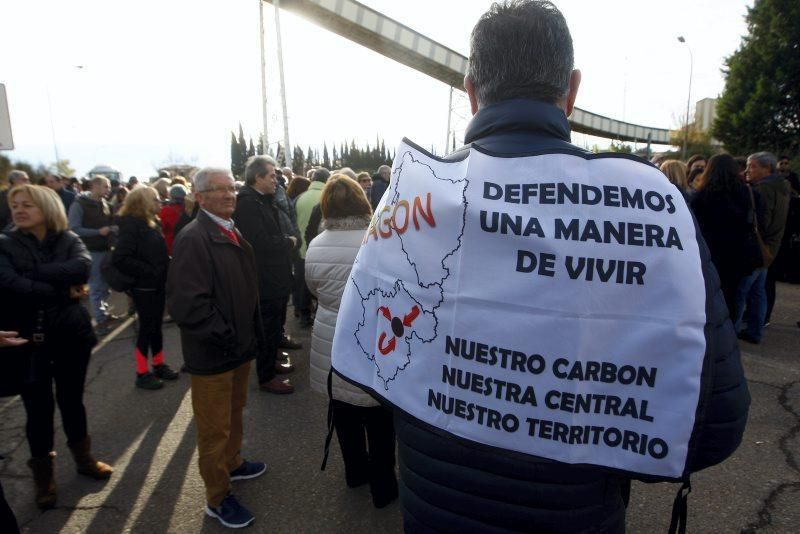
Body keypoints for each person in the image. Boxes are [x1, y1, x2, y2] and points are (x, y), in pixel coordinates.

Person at [388, 2, 749, 532]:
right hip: (574, 513)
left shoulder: (408, 202)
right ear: (573, 91)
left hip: (434, 510)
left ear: (469, 91)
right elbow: (713, 424)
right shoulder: (651, 207)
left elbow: (370, 358)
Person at [0, 185, 113, 510]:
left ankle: (84, 459)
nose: (19, 210)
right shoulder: (5, 243)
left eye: (27, 205)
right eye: (15, 205)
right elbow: (7, 283)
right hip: (27, 341)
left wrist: (32, 275)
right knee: (38, 410)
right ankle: (43, 476)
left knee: (72, 401)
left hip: (70, 338)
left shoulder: (68, 239)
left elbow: (81, 268)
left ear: (47, 208)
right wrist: (62, 291)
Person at [167, 168, 266, 529]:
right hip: (214, 353)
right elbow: (188, 305)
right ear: (199, 196)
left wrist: (248, 336)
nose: (228, 195)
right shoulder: (194, 238)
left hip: (236, 348)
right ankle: (217, 496)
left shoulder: (227, 227)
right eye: (218, 190)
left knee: (235, 413)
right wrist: (227, 336)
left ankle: (234, 464)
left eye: (231, 188)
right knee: (213, 430)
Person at [305, 175, 397, 508]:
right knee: (379, 416)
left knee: (343, 411)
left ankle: (355, 473)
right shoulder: (381, 239)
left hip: (332, 334)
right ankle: (384, 487)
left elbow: (313, 288)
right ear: (362, 201)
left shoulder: (316, 245)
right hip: (374, 334)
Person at [232, 156, 296, 394]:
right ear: (257, 178)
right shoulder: (248, 203)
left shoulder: (261, 200)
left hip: (274, 275)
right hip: (264, 278)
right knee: (267, 327)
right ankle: (266, 375)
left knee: (274, 323)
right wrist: (288, 242)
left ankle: (271, 363)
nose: (276, 181)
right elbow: (257, 242)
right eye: (271, 176)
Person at [113, 186, 178, 389]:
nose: (161, 202)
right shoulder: (131, 226)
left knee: (156, 327)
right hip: (144, 288)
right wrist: (150, 271)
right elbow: (120, 258)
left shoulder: (150, 223)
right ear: (143, 202)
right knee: (146, 329)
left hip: (156, 285)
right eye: (156, 199)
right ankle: (142, 373)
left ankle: (158, 364)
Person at [690, 154, 764, 316]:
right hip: (739, 255)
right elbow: (759, 223)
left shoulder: (700, 197)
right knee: (733, 295)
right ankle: (730, 331)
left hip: (709, 254)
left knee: (707, 296)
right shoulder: (751, 195)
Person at [735, 151, 791, 343]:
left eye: (752, 166)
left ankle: (733, 332)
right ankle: (755, 330)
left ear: (766, 168)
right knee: (758, 292)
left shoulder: (761, 190)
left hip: (758, 249)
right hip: (770, 248)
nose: (748, 170)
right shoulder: (783, 185)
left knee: (741, 292)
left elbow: (761, 221)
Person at [68, 175, 118, 335]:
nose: (108, 189)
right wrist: (98, 232)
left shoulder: (105, 204)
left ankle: (103, 313)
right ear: (94, 186)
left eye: (109, 186)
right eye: (105, 186)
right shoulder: (79, 204)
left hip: (105, 249)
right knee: (96, 286)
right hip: (91, 251)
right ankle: (100, 320)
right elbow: (74, 228)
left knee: (105, 285)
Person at [295, 167, 330, 327]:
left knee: (302, 283)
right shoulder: (328, 197)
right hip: (322, 251)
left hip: (302, 248)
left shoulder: (299, 197)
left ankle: (302, 313)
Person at [160, 184, 188, 256]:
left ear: (171, 196)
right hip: (188, 247)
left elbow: (161, 229)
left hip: (171, 247)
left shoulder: (165, 210)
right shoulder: (190, 209)